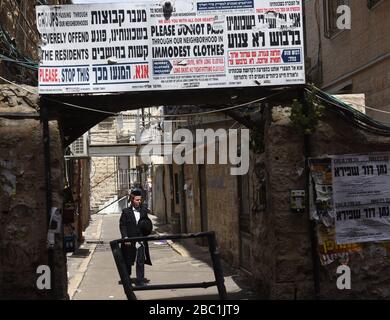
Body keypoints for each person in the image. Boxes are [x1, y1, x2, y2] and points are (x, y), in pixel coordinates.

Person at [119, 188, 153, 286]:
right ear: (132, 200)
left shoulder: (143, 210)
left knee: (140, 260)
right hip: (129, 240)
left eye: (140, 200)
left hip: (140, 240)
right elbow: (123, 225)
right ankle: (127, 279)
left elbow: (146, 223)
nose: (139, 201)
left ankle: (140, 280)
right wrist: (125, 237)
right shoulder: (126, 212)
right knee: (128, 261)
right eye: (137, 200)